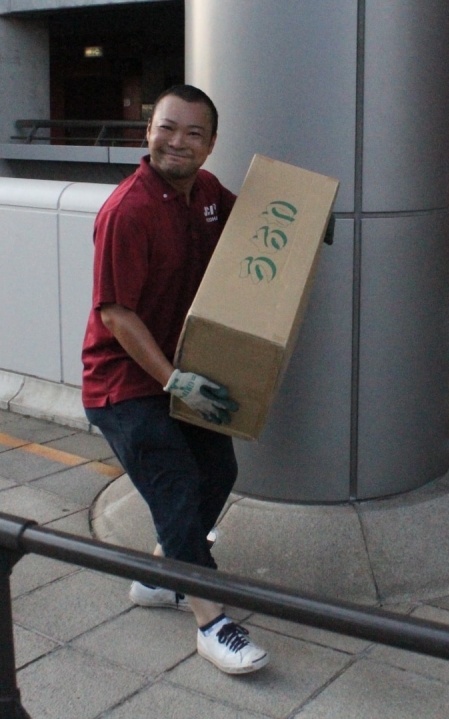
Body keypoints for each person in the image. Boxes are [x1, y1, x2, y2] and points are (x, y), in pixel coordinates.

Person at [82, 84, 269, 675]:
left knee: (219, 471)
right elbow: (116, 314)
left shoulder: (207, 192)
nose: (177, 142)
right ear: (148, 132)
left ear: (210, 145)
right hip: (124, 382)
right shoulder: (127, 210)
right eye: (166, 127)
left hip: (180, 368)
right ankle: (212, 624)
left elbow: (259, 225)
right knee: (178, 489)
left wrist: (311, 224)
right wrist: (174, 382)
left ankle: (162, 576)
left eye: (193, 133)